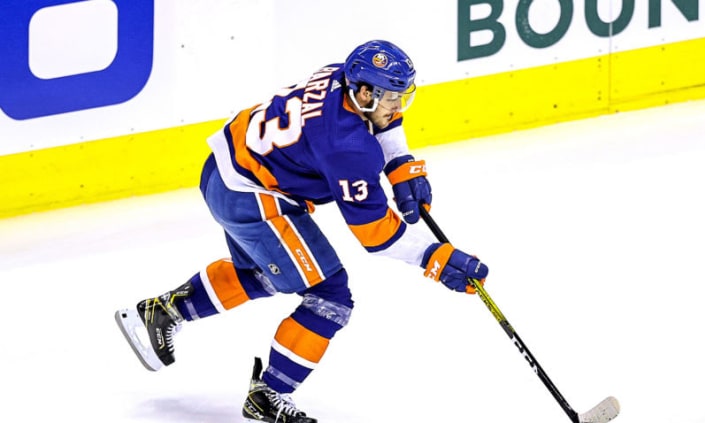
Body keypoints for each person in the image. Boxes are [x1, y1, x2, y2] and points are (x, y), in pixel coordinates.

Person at [115, 39, 489, 423]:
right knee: (330, 296)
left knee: (269, 272)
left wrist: (399, 163)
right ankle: (269, 395)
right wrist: (436, 258)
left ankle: (163, 311)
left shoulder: (338, 75)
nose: (398, 107)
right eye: (391, 97)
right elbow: (375, 235)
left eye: (400, 96)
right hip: (250, 195)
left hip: (224, 172)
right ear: (363, 93)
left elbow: (384, 121)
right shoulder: (347, 148)